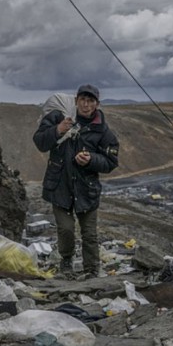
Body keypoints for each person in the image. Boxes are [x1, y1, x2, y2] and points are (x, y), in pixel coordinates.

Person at [33, 83, 119, 278]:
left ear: (97, 104)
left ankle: (91, 271)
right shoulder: (59, 117)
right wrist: (57, 130)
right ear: (76, 100)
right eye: (82, 100)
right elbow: (39, 142)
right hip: (59, 185)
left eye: (90, 101)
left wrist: (91, 160)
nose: (86, 105)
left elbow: (111, 161)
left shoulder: (102, 130)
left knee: (89, 234)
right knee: (66, 229)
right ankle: (66, 262)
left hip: (86, 188)